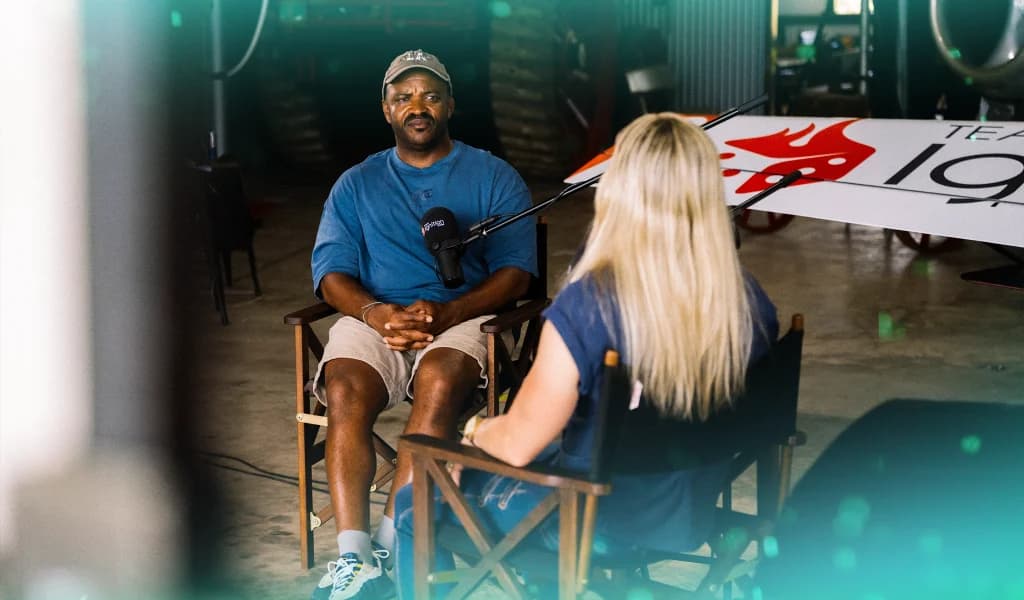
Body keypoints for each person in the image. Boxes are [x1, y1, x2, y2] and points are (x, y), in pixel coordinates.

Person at [392, 113, 779, 598]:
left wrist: (471, 433)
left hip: (593, 518)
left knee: (416, 501)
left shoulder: (591, 307)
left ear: (619, 190)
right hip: (691, 509)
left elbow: (517, 446)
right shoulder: (752, 303)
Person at [309, 49, 536, 600]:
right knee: (343, 388)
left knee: (437, 385)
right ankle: (354, 558)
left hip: (463, 317)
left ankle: (393, 540)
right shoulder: (356, 184)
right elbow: (330, 273)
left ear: (450, 106)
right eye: (403, 96)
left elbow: (516, 274)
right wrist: (376, 313)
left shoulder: (492, 175)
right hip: (378, 314)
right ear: (386, 110)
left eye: (430, 96)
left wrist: (450, 312)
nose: (417, 106)